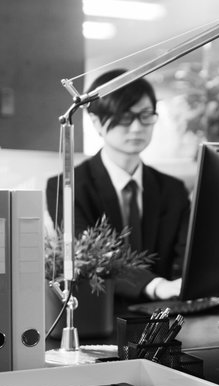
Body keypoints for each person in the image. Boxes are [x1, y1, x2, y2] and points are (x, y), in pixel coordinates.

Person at [46, 69, 189, 301]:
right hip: (100, 313)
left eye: (145, 115)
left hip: (167, 313)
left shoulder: (173, 190)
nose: (136, 127)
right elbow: (90, 257)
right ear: (96, 122)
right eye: (124, 116)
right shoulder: (66, 187)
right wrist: (154, 284)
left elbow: (185, 257)